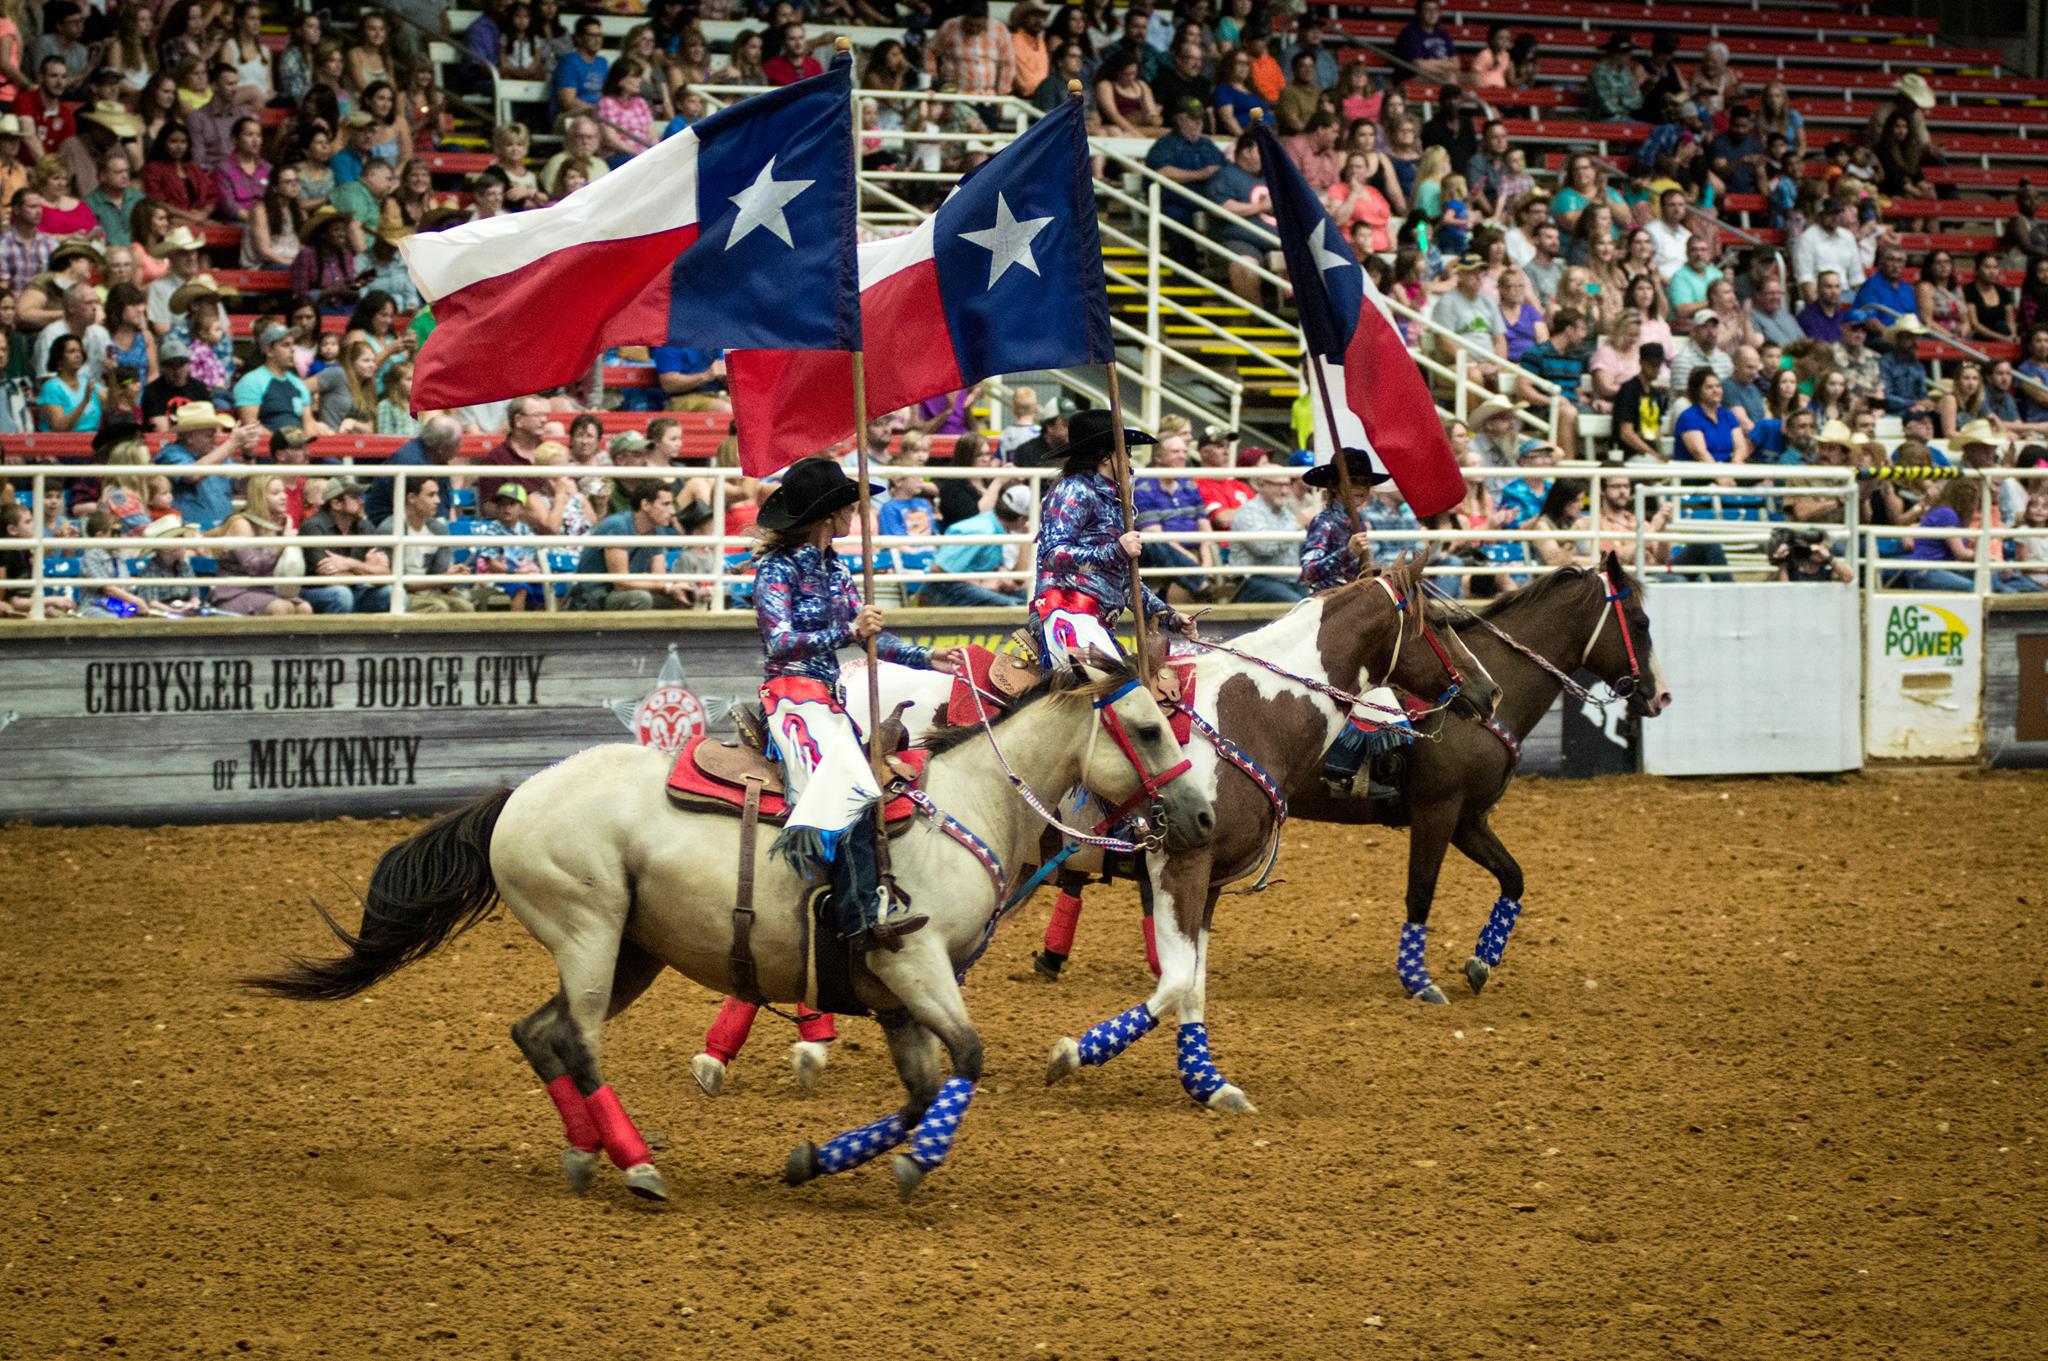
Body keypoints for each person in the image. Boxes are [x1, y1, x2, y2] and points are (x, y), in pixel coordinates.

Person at [751, 457, 960, 951]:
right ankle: (857, 914)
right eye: (850, 505)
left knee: (877, 780)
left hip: (825, 699)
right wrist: (848, 630)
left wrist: (927, 657)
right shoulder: (774, 570)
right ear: (829, 516)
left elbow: (872, 640)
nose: (856, 513)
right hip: (789, 696)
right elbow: (779, 641)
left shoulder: (836, 566)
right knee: (852, 783)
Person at [1028, 406, 1190, 662]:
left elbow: (1124, 580)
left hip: (1093, 619)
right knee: (1119, 688)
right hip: (1064, 610)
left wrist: (1167, 615)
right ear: (1106, 457)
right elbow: (1053, 554)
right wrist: (1115, 551)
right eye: (1125, 451)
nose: (1129, 460)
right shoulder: (1072, 490)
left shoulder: (1115, 501)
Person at [925, 481, 1032, 606]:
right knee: (1015, 607)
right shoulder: (981, 530)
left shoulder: (994, 527)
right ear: (1022, 519)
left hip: (963, 585)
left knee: (1033, 601)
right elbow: (938, 568)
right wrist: (980, 582)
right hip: (946, 589)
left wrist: (997, 576)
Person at [157, 400, 260, 528]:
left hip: (225, 530)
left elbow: (242, 487)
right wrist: (232, 443)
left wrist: (248, 455)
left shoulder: (216, 454)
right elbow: (193, 475)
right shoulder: (170, 454)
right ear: (189, 437)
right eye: (209, 435)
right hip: (192, 532)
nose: (215, 438)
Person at [1612, 342, 1669, 461]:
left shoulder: (1656, 393)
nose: (1656, 369)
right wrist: (1653, 454)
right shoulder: (1628, 390)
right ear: (1641, 362)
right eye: (1652, 364)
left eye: (1658, 365)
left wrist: (1660, 454)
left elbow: (1656, 430)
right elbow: (1626, 433)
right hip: (1630, 454)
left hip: (1651, 452)